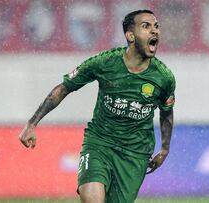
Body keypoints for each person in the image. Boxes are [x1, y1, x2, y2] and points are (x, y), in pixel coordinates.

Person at [18, 9, 175, 203]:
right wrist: (32, 123)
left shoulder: (163, 78)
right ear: (130, 35)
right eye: (146, 26)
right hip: (100, 144)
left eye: (156, 27)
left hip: (135, 154)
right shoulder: (105, 63)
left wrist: (165, 149)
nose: (155, 31)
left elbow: (166, 112)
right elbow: (64, 88)